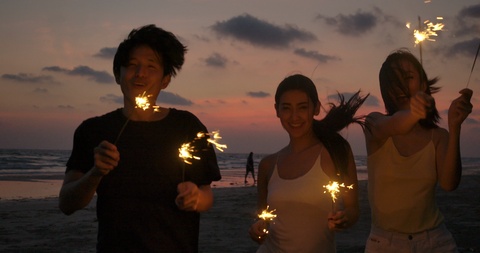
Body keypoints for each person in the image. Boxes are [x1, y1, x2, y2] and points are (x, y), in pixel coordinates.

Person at [59, 24, 221, 253]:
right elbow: (66, 203)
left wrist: (195, 197)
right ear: (118, 74)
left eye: (151, 67)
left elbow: (207, 195)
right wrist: (95, 173)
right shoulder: (93, 130)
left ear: (165, 80)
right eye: (132, 65)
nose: (140, 73)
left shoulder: (187, 127)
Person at [364, 49, 473, 252]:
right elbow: (396, 125)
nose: (402, 85)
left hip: (435, 241)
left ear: (423, 84)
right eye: (394, 80)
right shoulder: (374, 122)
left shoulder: (438, 136)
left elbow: (449, 183)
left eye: (408, 77)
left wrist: (455, 126)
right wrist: (413, 113)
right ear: (386, 90)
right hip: (384, 243)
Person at [248, 74, 368, 252]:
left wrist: (344, 219)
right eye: (287, 108)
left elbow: (353, 210)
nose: (294, 116)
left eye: (302, 107)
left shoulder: (336, 152)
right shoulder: (267, 165)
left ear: (316, 108)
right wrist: (257, 228)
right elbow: (263, 218)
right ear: (277, 110)